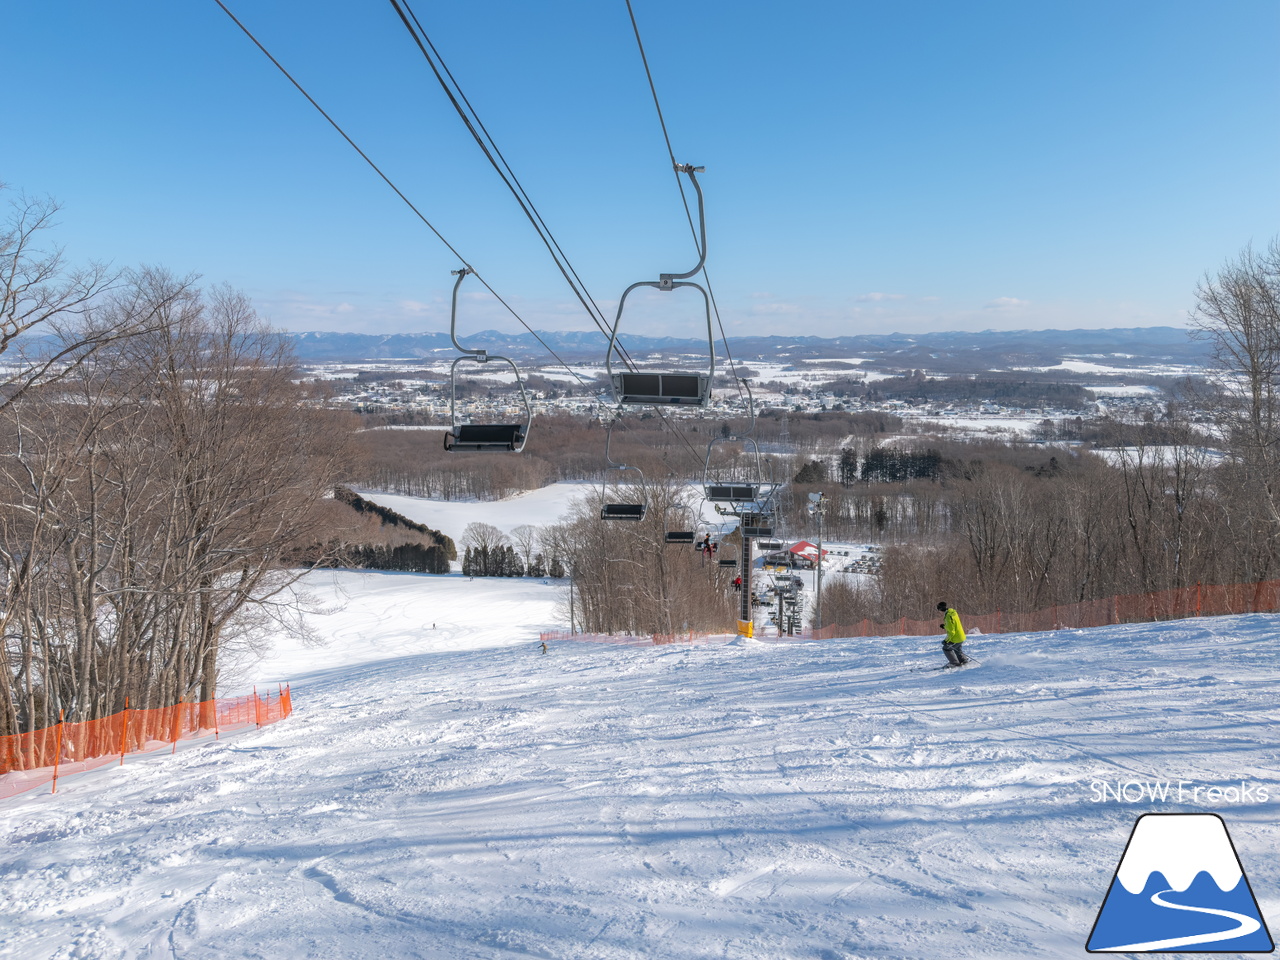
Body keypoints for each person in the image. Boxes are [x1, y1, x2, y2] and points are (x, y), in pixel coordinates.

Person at [937, 601, 969, 666]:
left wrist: (946, 641)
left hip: (956, 638)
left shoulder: (948, 616)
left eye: (939, 610)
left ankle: (954, 663)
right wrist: (945, 626)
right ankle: (963, 660)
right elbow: (953, 625)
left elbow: (952, 632)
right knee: (957, 648)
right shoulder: (952, 612)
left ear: (941, 609)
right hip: (961, 636)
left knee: (946, 648)